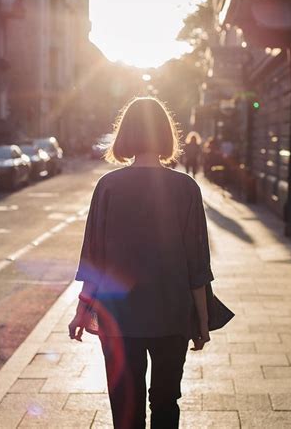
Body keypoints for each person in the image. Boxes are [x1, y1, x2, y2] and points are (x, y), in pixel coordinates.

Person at [68, 97, 214, 429]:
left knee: (125, 408)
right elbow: (197, 263)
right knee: (165, 403)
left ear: (125, 135)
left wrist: (81, 311)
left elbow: (94, 259)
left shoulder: (108, 187)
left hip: (118, 318)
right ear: (166, 134)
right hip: (171, 315)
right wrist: (202, 320)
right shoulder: (186, 188)